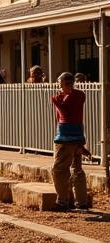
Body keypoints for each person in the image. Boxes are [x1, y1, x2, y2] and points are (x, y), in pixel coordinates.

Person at [51, 72, 90, 211]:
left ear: (64, 83)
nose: (60, 86)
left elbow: (64, 109)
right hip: (78, 137)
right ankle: (82, 202)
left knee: (59, 170)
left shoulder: (65, 98)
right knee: (77, 170)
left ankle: (62, 201)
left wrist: (55, 99)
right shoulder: (80, 95)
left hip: (65, 139)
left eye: (60, 83)